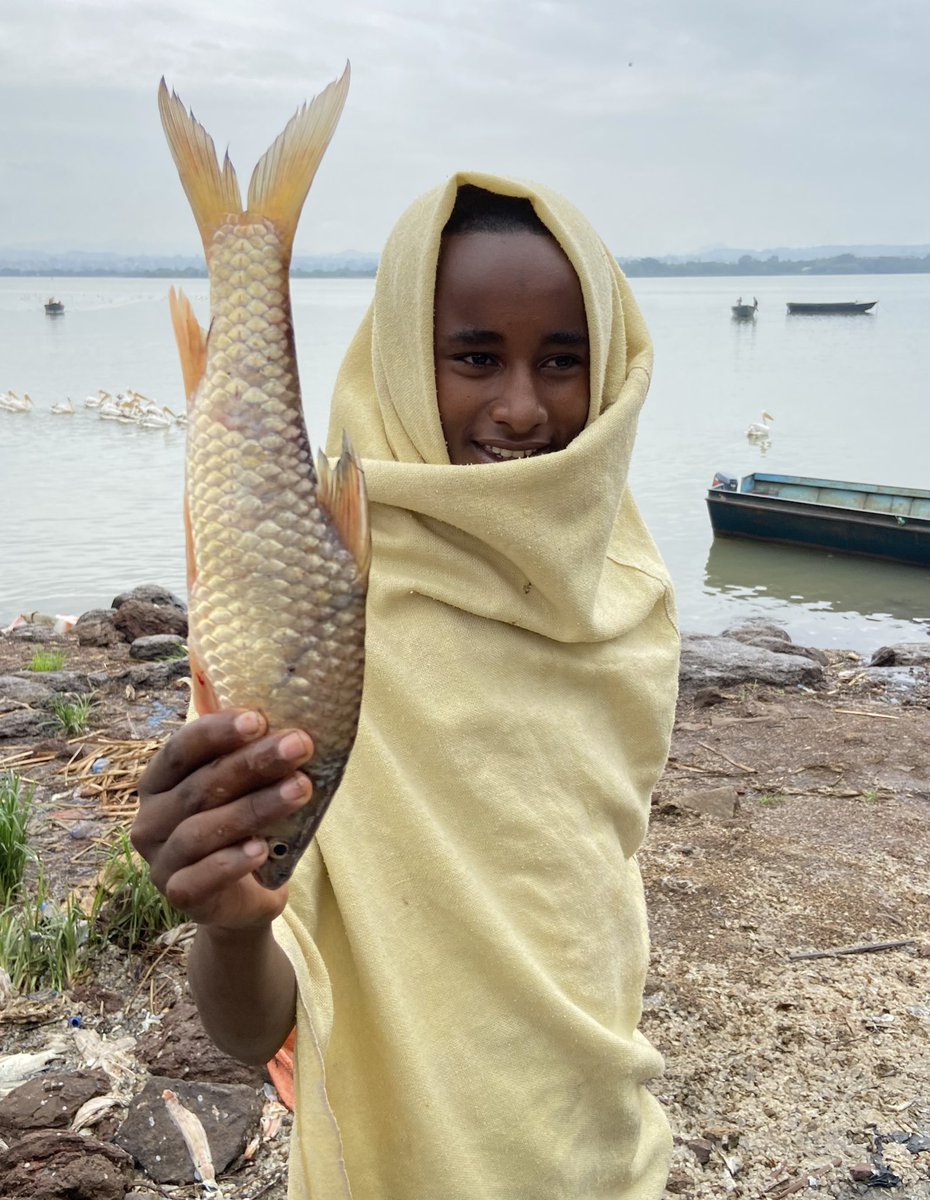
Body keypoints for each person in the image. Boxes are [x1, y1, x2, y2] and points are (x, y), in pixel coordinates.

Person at [133, 172, 680, 1199]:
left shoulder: (633, 597)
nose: (521, 405)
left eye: (563, 360)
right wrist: (232, 921)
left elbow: (597, 884)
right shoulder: (320, 609)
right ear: (395, 359)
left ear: (609, 371)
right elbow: (253, 1024)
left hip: (607, 1152)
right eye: (476, 357)